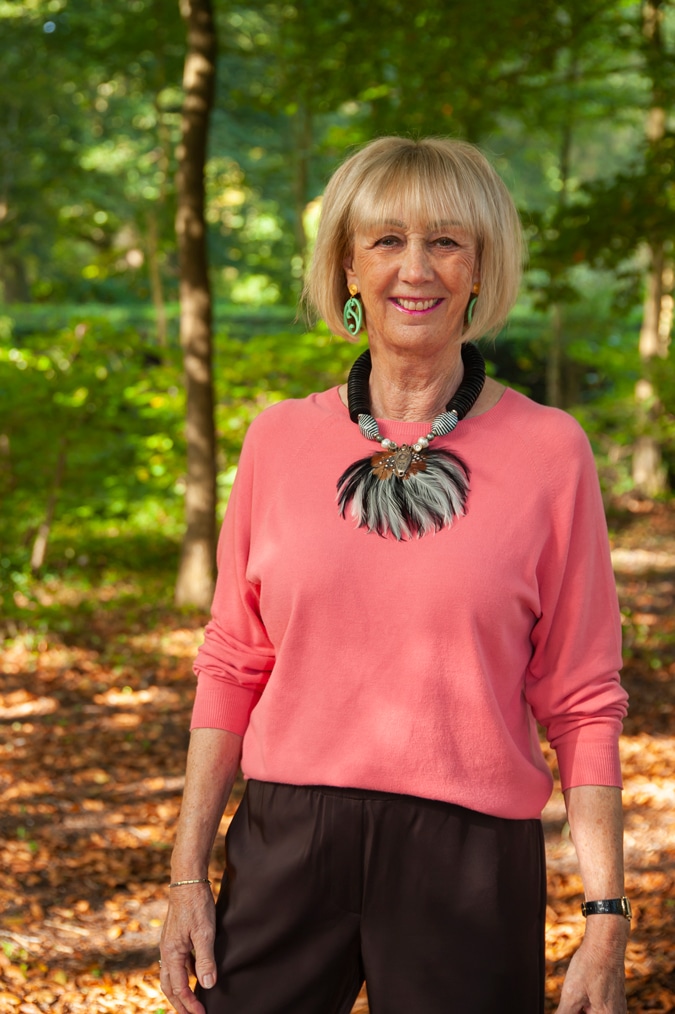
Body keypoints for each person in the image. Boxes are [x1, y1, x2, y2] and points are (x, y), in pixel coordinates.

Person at [159, 136, 630, 1014]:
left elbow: (581, 695)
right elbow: (231, 663)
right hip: (286, 842)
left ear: (482, 265)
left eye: (447, 241)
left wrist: (604, 914)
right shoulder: (276, 442)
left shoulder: (550, 452)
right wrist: (187, 873)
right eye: (385, 241)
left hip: (469, 858)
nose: (416, 269)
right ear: (346, 263)